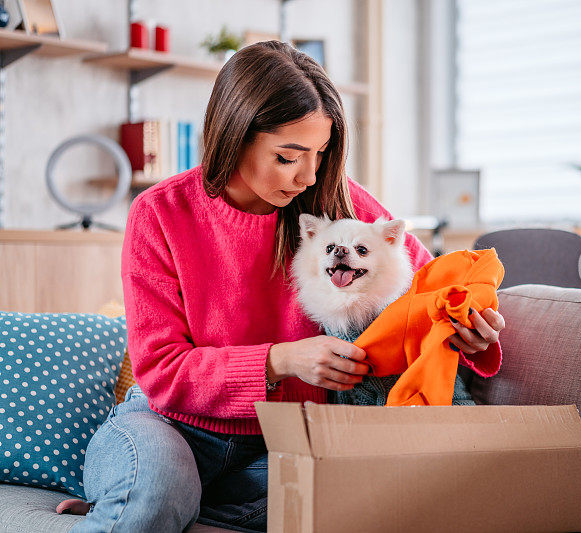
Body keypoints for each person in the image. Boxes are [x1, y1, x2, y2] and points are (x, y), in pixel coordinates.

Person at [58, 40, 505, 533]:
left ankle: (148, 501)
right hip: (171, 426)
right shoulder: (160, 212)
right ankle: (148, 494)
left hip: (288, 442)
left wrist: (471, 331)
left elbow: (430, 294)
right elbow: (160, 369)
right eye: (288, 156)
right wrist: (281, 359)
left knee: (382, 494)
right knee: (157, 489)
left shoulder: (342, 202)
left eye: (320, 154)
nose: (308, 176)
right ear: (236, 135)